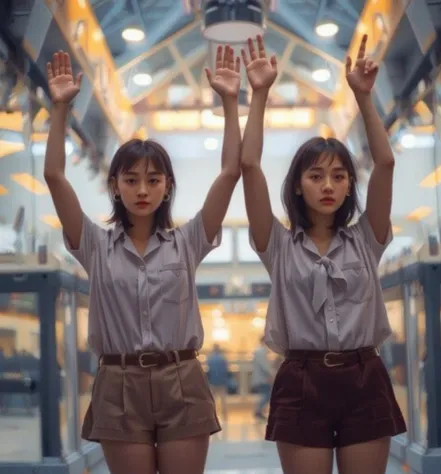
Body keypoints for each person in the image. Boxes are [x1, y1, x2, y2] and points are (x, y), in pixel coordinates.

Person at [43, 45, 242, 474]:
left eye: (153, 180)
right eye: (131, 179)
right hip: (118, 381)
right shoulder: (94, 244)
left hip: (182, 378)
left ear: (167, 186)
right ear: (114, 185)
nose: (142, 189)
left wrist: (230, 103)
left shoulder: (188, 242)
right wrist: (59, 108)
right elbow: (55, 177)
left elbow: (230, 172)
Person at [240, 35, 406, 474]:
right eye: (316, 176)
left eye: (338, 176)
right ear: (298, 185)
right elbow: (249, 167)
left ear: (351, 184)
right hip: (301, 378)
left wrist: (363, 98)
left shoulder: (366, 240)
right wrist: (258, 95)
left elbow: (385, 164)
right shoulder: (276, 246)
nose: (328, 185)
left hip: (365, 376)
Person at [251, 336, 273, 420]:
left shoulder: (259, 351)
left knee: (265, 394)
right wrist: (272, 374)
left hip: (261, 378)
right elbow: (265, 366)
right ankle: (258, 411)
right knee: (266, 395)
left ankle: (259, 411)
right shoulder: (261, 352)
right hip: (262, 379)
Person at [206, 344, 229, 422]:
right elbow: (226, 369)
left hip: (212, 381)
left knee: (213, 400)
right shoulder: (223, 358)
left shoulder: (210, 358)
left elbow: (208, 369)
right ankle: (225, 416)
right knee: (223, 400)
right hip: (222, 382)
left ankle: (213, 416)